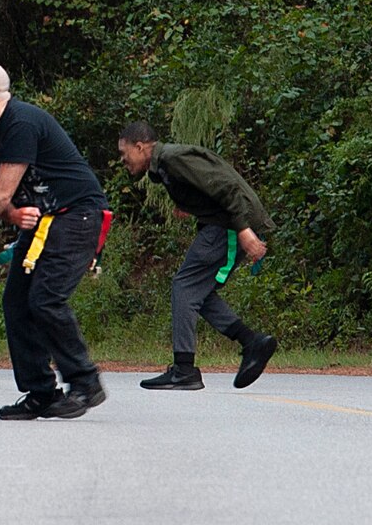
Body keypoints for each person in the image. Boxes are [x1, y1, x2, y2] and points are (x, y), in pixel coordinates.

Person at [0, 61, 110, 420]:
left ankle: (86, 383)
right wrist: (14, 216)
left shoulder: (20, 121)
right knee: (17, 302)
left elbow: (1, 193)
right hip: (44, 224)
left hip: (77, 216)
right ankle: (41, 393)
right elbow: (0, 196)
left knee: (46, 299)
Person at [117, 121, 278, 390]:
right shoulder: (166, 166)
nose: (123, 161)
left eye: (124, 154)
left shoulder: (172, 158)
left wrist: (244, 230)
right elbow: (207, 189)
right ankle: (252, 342)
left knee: (185, 286)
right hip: (222, 224)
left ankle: (184, 370)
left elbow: (226, 187)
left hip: (228, 225)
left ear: (140, 146)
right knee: (196, 293)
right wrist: (191, 207)